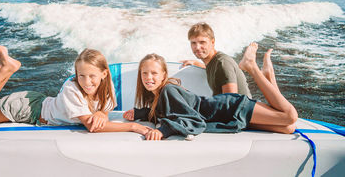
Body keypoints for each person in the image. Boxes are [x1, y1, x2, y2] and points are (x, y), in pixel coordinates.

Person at [0, 44, 149, 135]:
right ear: (76, 74)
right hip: (27, 109)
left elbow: (104, 109)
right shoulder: (72, 89)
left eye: (92, 76)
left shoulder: (107, 87)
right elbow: (92, 126)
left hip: (37, 101)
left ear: (104, 74)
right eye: (81, 75)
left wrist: (101, 113)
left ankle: (5, 69)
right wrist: (133, 127)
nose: (87, 82)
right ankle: (5, 69)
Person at [123, 42, 298, 140]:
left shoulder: (169, 90)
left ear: (163, 75)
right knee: (288, 128)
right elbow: (164, 113)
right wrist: (140, 113)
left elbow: (193, 120)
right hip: (229, 120)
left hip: (230, 107)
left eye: (154, 73)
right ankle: (269, 77)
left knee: (290, 116)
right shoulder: (158, 98)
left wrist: (163, 131)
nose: (149, 77)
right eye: (144, 73)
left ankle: (253, 68)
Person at [181, 22, 252, 97]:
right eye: (193, 43)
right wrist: (196, 63)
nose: (197, 47)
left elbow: (231, 100)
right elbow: (215, 72)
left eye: (202, 42)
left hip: (240, 108)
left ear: (212, 42)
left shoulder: (223, 63)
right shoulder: (213, 63)